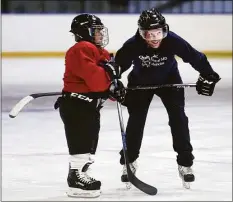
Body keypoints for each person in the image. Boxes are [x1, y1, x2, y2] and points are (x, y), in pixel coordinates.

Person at [114, 8, 221, 189]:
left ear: (165, 29)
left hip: (170, 82)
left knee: (178, 119)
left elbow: (195, 57)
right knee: (136, 121)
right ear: (141, 33)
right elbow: (117, 66)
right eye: (149, 34)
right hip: (140, 84)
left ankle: (185, 163)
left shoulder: (172, 40)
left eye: (159, 32)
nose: (155, 38)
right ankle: (129, 161)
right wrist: (113, 83)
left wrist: (209, 74)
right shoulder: (133, 45)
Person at [55, 13, 125, 198]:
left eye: (101, 30)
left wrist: (114, 87)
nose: (100, 34)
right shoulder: (82, 48)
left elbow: (104, 78)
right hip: (77, 105)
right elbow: (96, 80)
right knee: (81, 142)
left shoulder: (96, 49)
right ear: (83, 32)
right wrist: (109, 80)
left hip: (88, 106)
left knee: (88, 142)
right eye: (96, 31)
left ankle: (81, 174)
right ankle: (75, 179)